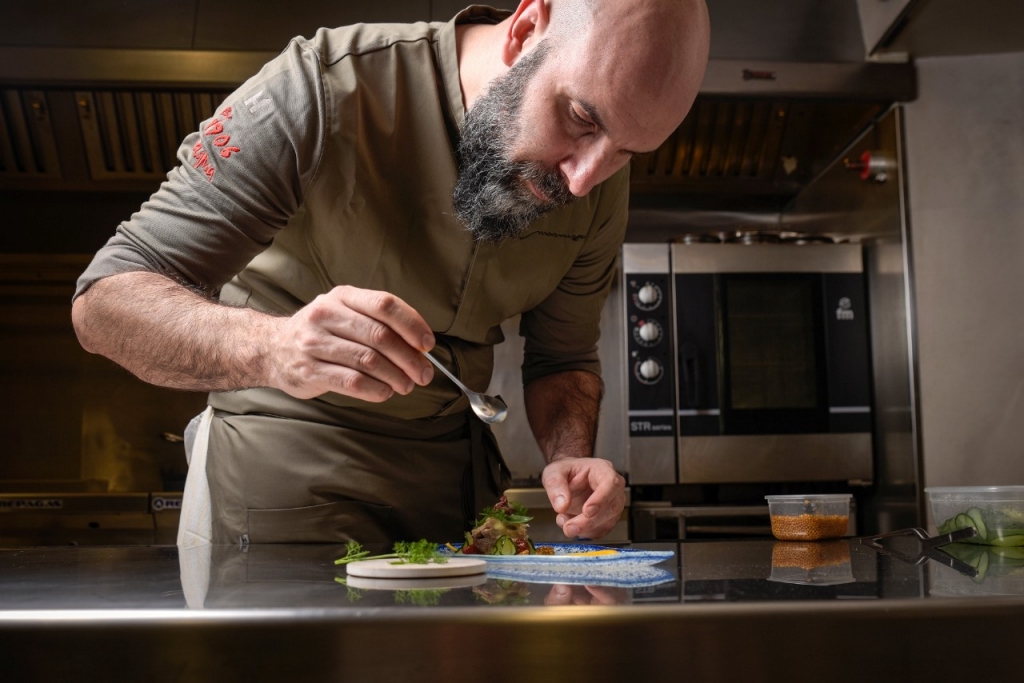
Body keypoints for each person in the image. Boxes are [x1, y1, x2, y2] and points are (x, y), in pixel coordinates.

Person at [71, 0, 710, 546]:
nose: (584, 179)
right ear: (524, 29)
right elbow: (105, 303)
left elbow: (563, 358)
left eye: (626, 152)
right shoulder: (321, 88)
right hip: (278, 489)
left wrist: (570, 458)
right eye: (581, 120)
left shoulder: (594, 181)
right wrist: (273, 347)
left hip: (457, 500)